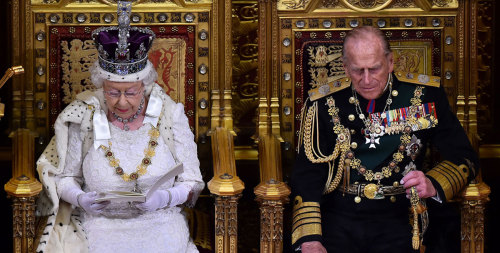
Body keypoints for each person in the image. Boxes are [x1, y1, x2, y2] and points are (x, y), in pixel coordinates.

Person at [291, 26, 478, 253]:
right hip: (340, 217)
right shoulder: (323, 103)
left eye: (375, 68)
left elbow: (463, 157)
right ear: (345, 67)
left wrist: (433, 183)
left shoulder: (424, 96)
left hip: (402, 216)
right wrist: (310, 237)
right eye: (358, 70)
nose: (367, 79)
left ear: (390, 62)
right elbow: (307, 174)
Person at [35, 1, 204, 252]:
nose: (122, 101)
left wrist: (164, 198)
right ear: (101, 85)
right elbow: (66, 177)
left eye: (131, 92)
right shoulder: (84, 115)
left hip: (160, 223)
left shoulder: (170, 114)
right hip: (99, 225)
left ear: (144, 85)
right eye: (113, 92)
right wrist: (80, 199)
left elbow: (192, 180)